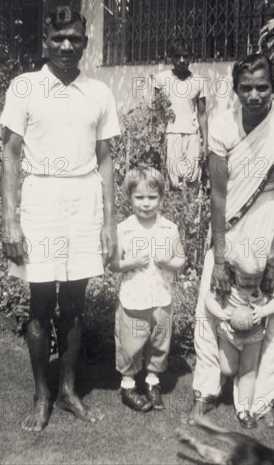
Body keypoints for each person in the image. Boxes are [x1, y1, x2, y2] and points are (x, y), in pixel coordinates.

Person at [0, 6, 120, 431]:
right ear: (44, 41)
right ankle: (41, 394)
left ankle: (68, 391)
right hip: (42, 201)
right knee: (40, 304)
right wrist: (11, 222)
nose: (67, 46)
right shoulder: (25, 87)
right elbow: (10, 154)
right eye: (58, 38)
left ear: (85, 42)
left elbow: (105, 160)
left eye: (75, 38)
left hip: (84, 200)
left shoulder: (99, 92)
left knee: (75, 304)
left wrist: (109, 222)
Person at [189, 53, 274, 427]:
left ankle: (261, 400)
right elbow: (219, 195)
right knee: (209, 309)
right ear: (235, 88)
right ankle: (205, 392)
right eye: (246, 88)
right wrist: (220, 257)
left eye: (262, 87)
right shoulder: (222, 127)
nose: (254, 95)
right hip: (230, 226)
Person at [110, 167, 186, 412]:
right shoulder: (124, 229)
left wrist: (168, 263)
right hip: (134, 299)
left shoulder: (169, 229)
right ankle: (128, 386)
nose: (146, 204)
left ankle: (153, 383)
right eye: (139, 197)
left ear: (161, 198)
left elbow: (181, 260)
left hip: (161, 299)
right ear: (130, 198)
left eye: (152, 198)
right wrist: (131, 263)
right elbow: (113, 264)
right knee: (131, 345)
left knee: (159, 343)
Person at [204, 267, 274, 428]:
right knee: (227, 369)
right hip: (229, 333)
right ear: (234, 270)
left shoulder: (264, 282)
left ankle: (243, 410)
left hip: (253, 335)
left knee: (248, 371)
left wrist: (264, 310)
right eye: (246, 278)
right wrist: (220, 313)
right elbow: (209, 299)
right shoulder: (227, 281)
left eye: (255, 278)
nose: (251, 282)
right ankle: (233, 380)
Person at [153, 38, 208, 190]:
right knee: (173, 181)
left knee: (192, 179)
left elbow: (202, 114)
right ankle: (174, 212)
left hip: (192, 134)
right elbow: (157, 111)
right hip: (171, 134)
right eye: (177, 56)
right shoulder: (161, 79)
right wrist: (157, 138)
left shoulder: (199, 81)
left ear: (191, 57)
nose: (182, 60)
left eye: (185, 56)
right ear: (171, 57)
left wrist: (205, 144)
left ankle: (191, 212)